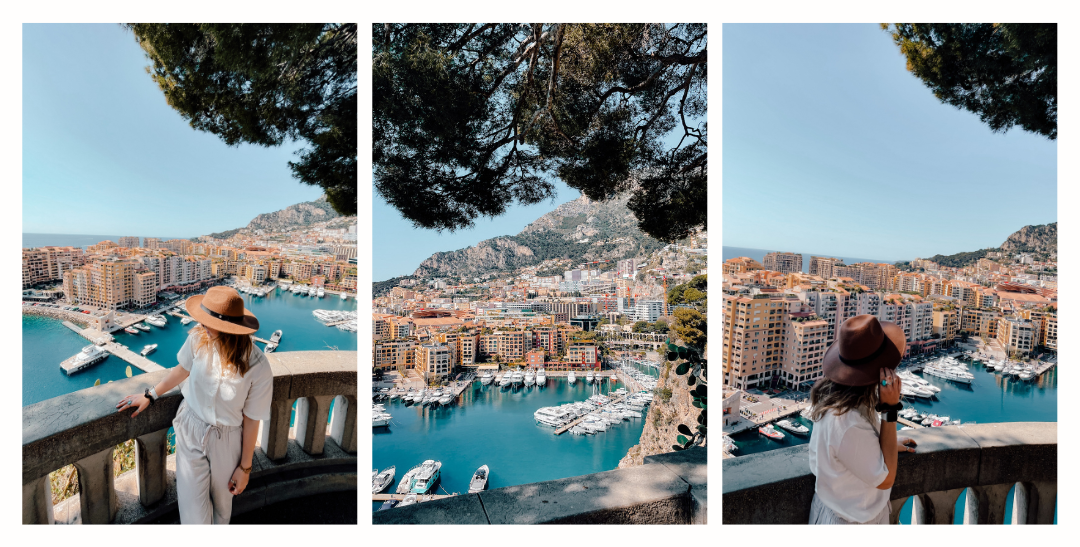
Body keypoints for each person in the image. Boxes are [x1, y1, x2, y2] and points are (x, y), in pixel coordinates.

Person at [117, 286, 274, 524]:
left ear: (228, 329)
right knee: (194, 519)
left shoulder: (258, 366)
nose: (201, 325)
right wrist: (150, 395)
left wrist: (245, 468)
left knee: (222, 511)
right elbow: (182, 370)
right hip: (191, 429)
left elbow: (252, 419)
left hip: (227, 440)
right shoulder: (198, 338)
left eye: (208, 322)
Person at [806, 315, 917, 525]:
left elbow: (854, 451)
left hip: (842, 513)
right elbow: (885, 479)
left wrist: (887, 444)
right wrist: (889, 409)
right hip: (850, 521)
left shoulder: (840, 401)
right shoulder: (848, 423)